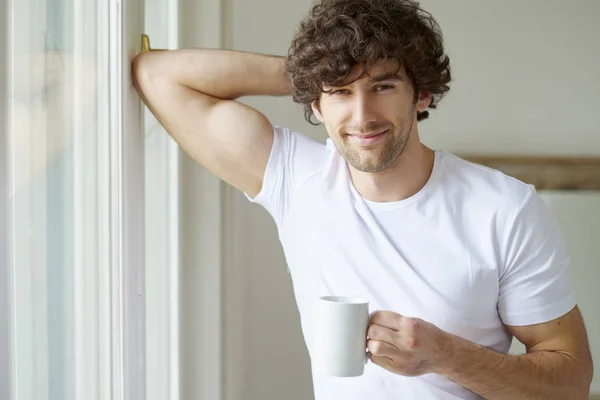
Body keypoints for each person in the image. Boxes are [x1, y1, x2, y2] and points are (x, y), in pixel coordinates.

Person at [132, 0, 594, 398]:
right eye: (339, 93)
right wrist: (318, 69)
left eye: (383, 85)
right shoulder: (297, 179)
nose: (362, 115)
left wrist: (447, 356)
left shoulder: (504, 209)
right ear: (315, 104)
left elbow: (570, 382)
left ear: (422, 93)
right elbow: (157, 74)